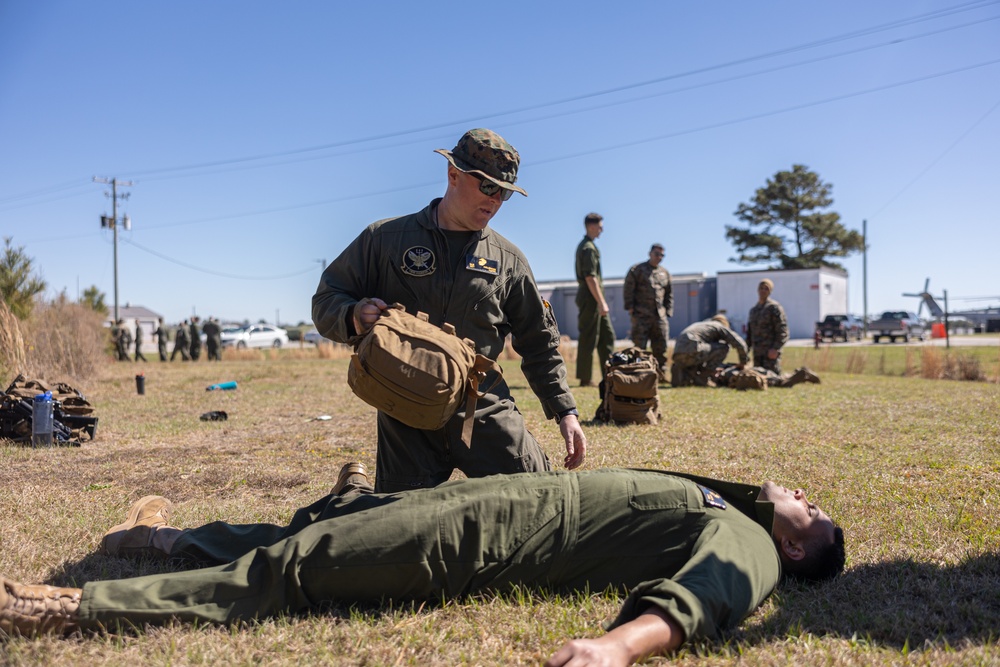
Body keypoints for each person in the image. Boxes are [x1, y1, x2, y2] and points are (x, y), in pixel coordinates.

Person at [0, 464, 845, 667]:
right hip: (483, 501)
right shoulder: (730, 499)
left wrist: (620, 646)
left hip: (477, 540)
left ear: (796, 545)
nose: (798, 494)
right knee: (333, 517)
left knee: (300, 567)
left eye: (809, 506)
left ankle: (73, 607)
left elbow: (710, 598)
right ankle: (168, 538)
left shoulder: (748, 542)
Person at [312, 129, 586, 493]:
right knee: (398, 531)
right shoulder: (386, 240)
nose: (495, 201)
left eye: (504, 193)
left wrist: (565, 411)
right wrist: (353, 315)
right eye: (488, 187)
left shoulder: (508, 261)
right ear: (453, 175)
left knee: (538, 501)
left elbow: (539, 342)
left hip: (482, 407)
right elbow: (328, 298)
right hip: (406, 411)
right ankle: (351, 494)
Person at [574, 212, 615, 387]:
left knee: (607, 336)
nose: (601, 230)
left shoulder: (589, 246)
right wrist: (601, 301)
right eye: (600, 227)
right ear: (591, 226)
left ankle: (610, 374)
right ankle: (585, 378)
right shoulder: (588, 248)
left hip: (594, 297)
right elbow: (591, 278)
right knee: (589, 337)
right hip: (590, 297)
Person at [623, 244, 673, 382]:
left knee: (661, 347)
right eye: (657, 254)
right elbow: (628, 289)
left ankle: (661, 375)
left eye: (662, 255)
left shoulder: (665, 273)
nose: (659, 257)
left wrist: (668, 310)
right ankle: (638, 375)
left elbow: (669, 293)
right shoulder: (637, 270)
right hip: (641, 315)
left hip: (659, 316)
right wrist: (630, 308)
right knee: (639, 348)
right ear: (650, 253)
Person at [671, 315, 749, 387]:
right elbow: (740, 344)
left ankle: (688, 377)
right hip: (693, 350)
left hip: (678, 354)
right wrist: (743, 362)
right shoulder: (719, 326)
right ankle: (705, 376)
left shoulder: (703, 325)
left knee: (703, 351)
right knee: (724, 347)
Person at [746, 279, 788, 373]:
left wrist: (776, 348)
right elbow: (750, 332)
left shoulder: (774, 308)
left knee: (772, 379)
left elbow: (782, 330)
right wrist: (746, 350)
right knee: (758, 379)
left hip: (769, 352)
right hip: (757, 353)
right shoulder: (754, 310)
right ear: (757, 290)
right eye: (761, 288)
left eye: (766, 289)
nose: (763, 291)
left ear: (770, 291)